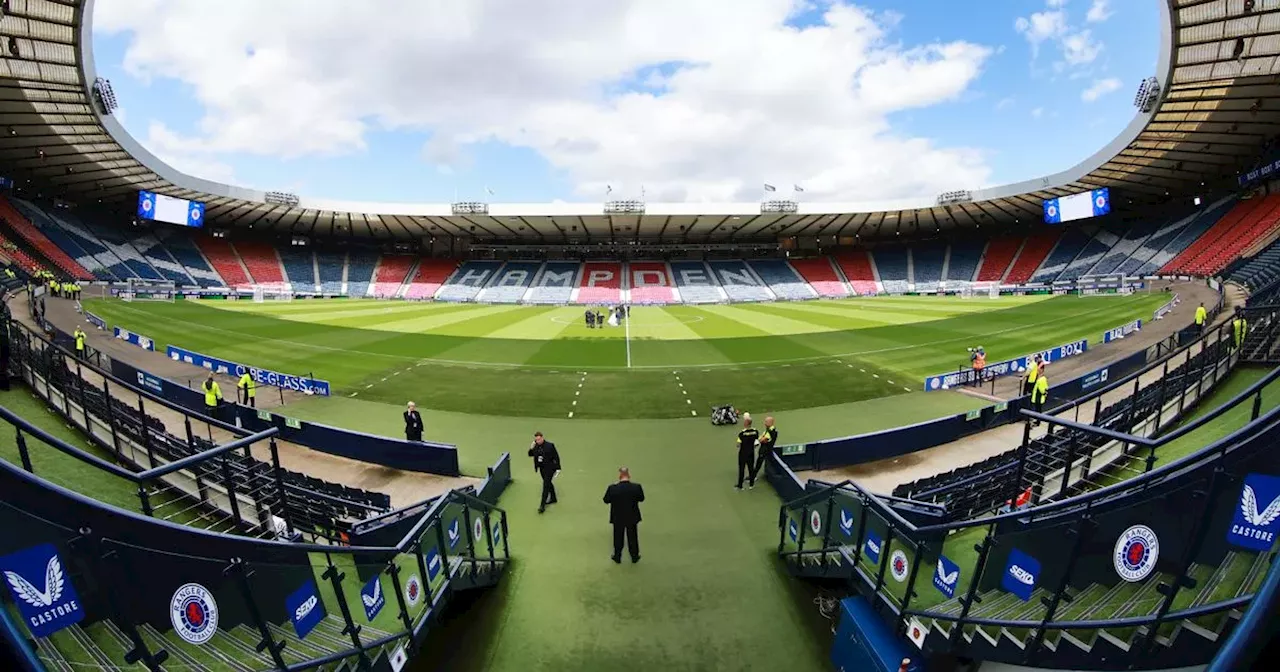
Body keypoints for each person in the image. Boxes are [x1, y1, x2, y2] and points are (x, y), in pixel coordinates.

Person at [603, 466, 645, 564]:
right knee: (633, 536)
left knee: (618, 537)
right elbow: (641, 498)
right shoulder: (636, 487)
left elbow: (606, 500)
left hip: (618, 517)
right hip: (632, 516)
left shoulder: (613, 488)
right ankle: (634, 556)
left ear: (620, 475)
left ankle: (617, 556)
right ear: (628, 475)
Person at [528, 431, 561, 513]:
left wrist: (558, 468)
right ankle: (553, 498)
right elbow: (530, 454)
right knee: (548, 483)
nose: (538, 441)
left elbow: (556, 456)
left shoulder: (550, 446)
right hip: (542, 468)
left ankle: (542, 506)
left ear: (542, 438)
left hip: (550, 468)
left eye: (539, 439)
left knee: (545, 485)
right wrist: (531, 448)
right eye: (536, 440)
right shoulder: (535, 446)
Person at [750, 416, 778, 484]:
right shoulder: (768, 429)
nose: (764, 423)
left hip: (765, 449)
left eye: (766, 422)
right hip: (766, 449)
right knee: (770, 461)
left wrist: (758, 441)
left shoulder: (771, 431)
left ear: (771, 422)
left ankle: (753, 477)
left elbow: (763, 440)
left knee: (759, 463)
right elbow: (762, 437)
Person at [735, 414, 760, 490]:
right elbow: (756, 443)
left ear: (746, 423)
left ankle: (740, 485)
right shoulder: (756, 432)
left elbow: (738, 444)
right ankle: (751, 485)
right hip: (751, 453)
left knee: (742, 469)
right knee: (751, 468)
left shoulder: (742, 433)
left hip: (743, 453)